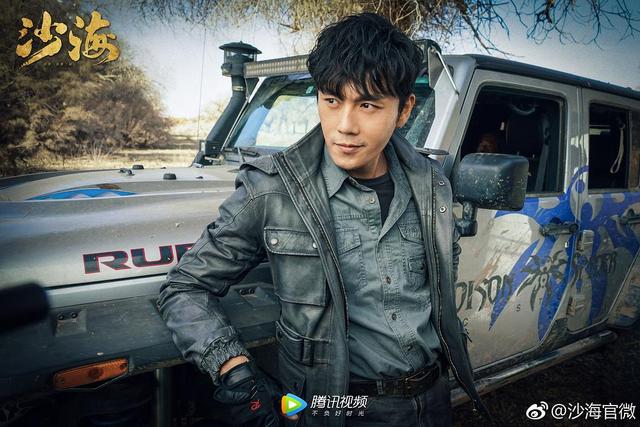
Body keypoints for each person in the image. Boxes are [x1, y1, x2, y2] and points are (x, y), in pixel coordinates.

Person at [158, 12, 491, 427]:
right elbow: (184, 287)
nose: (344, 126)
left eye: (367, 105)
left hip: (434, 399)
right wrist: (235, 370)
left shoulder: (433, 186)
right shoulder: (272, 190)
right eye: (332, 100)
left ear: (404, 109)